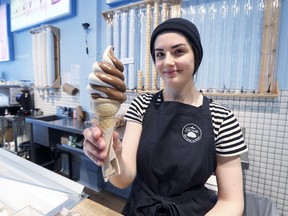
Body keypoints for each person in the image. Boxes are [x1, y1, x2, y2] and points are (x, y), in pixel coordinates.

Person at [83, 17, 248, 216]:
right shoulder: (142, 105)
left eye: (179, 51)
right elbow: (123, 179)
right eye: (160, 54)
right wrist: (111, 154)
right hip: (140, 210)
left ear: (196, 55)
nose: (168, 62)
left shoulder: (222, 118)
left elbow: (231, 202)